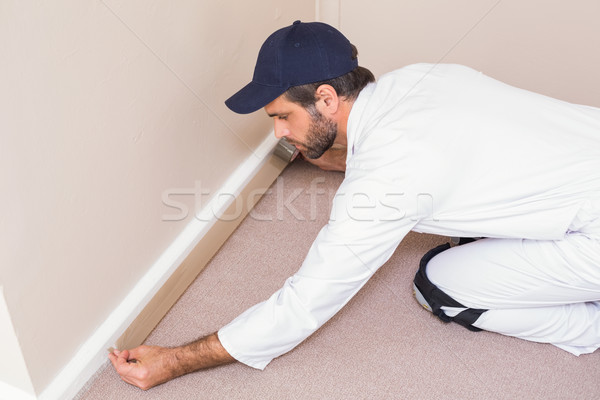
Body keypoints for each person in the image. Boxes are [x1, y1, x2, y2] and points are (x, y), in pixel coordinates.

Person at [109, 20, 600, 390]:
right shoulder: (422, 77)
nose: (279, 134)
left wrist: (176, 360)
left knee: (439, 282)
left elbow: (305, 302)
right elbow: (443, 150)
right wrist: (347, 158)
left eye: (282, 116)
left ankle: (588, 326)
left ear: (325, 98)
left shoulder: (385, 182)